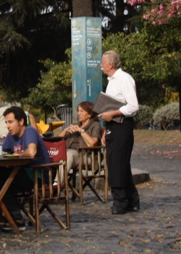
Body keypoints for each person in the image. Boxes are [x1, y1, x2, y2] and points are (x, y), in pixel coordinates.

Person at [0, 106, 50, 231]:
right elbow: (0, 152)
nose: (7, 126)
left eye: (10, 122)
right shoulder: (11, 136)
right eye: (6, 122)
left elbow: (31, 152)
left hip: (37, 175)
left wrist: (16, 155)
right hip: (22, 173)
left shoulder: (29, 131)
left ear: (21, 121)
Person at [99, 50, 141, 215]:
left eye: (103, 62)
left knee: (117, 163)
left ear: (110, 64)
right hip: (112, 126)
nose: (101, 65)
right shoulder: (111, 82)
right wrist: (105, 131)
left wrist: (113, 114)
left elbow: (133, 106)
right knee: (119, 163)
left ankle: (120, 201)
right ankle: (132, 200)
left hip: (122, 124)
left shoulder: (124, 79)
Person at [60, 101, 102, 171]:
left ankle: (57, 182)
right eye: (78, 111)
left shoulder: (95, 125)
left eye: (81, 111)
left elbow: (92, 143)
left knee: (69, 154)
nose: (79, 113)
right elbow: (59, 140)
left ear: (90, 114)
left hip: (87, 156)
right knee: (56, 154)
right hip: (69, 152)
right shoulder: (76, 124)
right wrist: (65, 131)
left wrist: (81, 131)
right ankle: (49, 179)